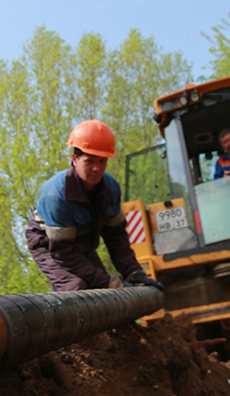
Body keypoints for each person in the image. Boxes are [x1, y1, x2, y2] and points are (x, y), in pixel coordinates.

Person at [25, 120, 165, 292]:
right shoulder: (56, 195)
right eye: (89, 161)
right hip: (50, 246)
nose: (96, 168)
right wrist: (107, 282)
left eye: (102, 161)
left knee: (104, 293)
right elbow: (64, 253)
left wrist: (133, 272)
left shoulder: (111, 188)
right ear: (74, 159)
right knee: (77, 288)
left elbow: (116, 237)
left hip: (82, 245)